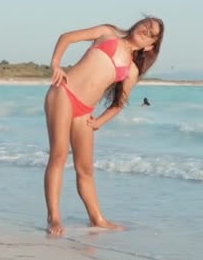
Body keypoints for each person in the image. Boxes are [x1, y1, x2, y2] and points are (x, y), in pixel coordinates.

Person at [44, 17, 164, 236]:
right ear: (136, 24)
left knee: (86, 168)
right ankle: (54, 218)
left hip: (85, 112)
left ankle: (97, 218)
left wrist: (99, 121)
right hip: (64, 92)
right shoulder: (107, 33)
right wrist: (56, 64)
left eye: (151, 33)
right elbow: (67, 38)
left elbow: (119, 104)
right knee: (59, 155)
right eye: (144, 26)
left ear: (151, 45)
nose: (145, 32)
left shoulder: (132, 70)